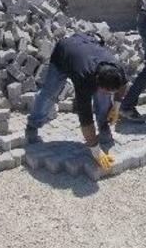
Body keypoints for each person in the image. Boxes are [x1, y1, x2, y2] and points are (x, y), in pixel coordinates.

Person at [25, 33, 128, 171]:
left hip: (85, 45)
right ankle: (32, 126)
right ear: (97, 82)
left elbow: (123, 86)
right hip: (63, 53)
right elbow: (85, 118)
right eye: (104, 90)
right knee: (49, 93)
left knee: (103, 98)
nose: (108, 93)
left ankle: (104, 127)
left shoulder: (116, 69)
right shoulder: (83, 78)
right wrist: (95, 150)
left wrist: (116, 106)